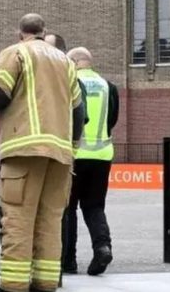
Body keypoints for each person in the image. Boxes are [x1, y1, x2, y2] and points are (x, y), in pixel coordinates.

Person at [0, 14, 84, 292]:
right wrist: (72, 148)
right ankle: (45, 282)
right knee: (50, 221)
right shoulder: (65, 61)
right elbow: (79, 111)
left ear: (21, 33)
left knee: (18, 218)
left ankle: (13, 284)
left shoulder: (15, 53)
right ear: (44, 32)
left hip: (24, 149)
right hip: (61, 155)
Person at [62, 47, 119, 276]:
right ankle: (102, 247)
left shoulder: (72, 83)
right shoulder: (108, 86)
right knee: (94, 206)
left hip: (75, 154)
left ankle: (68, 261)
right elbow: (112, 119)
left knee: (68, 208)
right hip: (102, 154)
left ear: (74, 62)